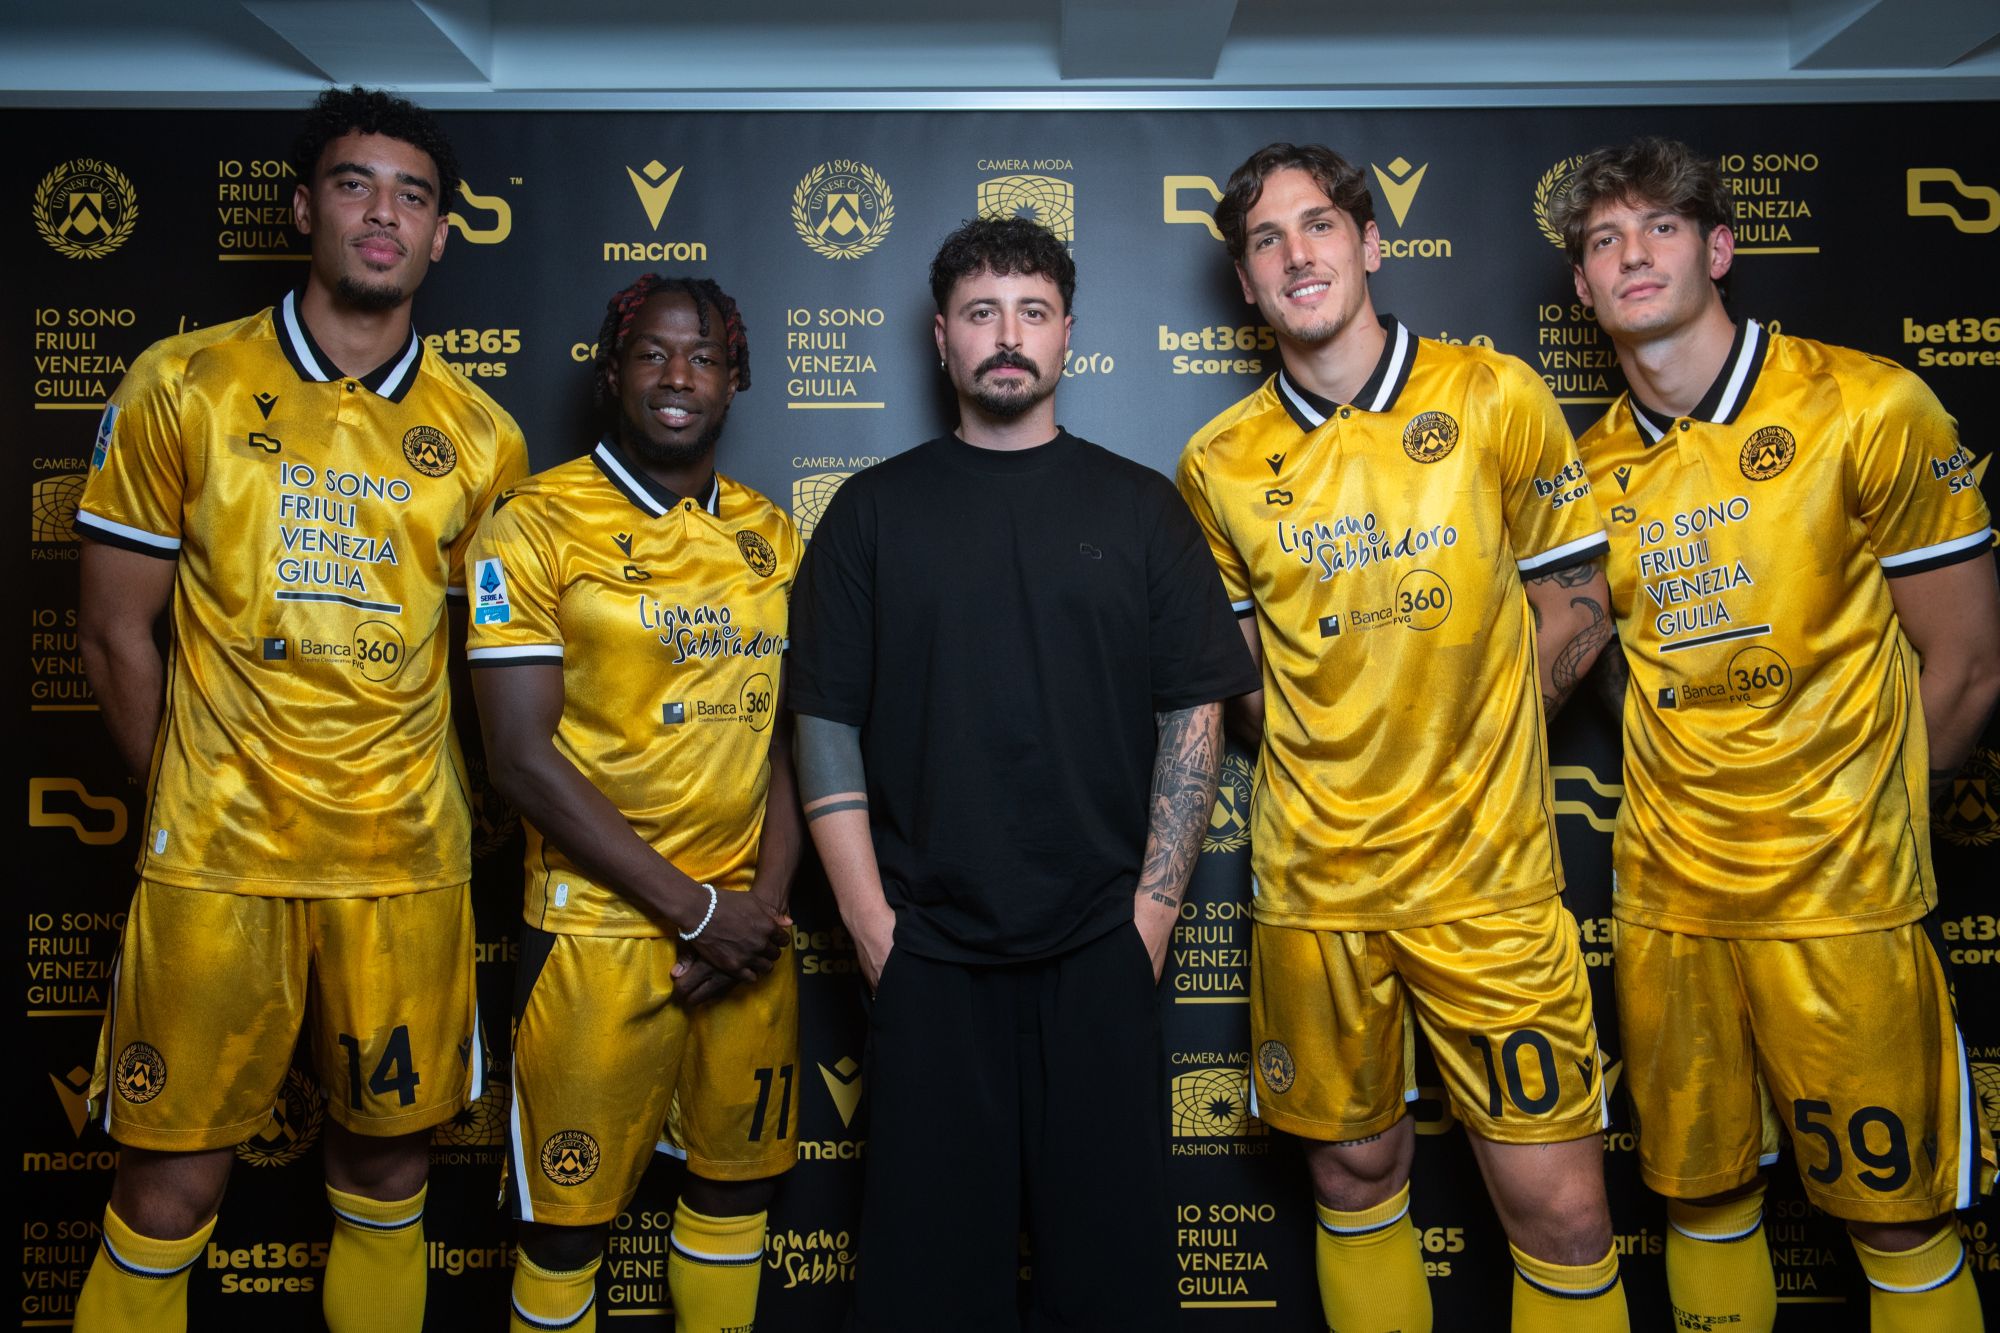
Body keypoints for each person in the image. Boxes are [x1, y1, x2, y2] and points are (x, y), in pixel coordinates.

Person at [71, 86, 528, 1332]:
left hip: (403, 863)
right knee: (167, 1184)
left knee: (387, 1176)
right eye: (353, 184)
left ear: (441, 234)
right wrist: (185, 793)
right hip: (218, 861)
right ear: (301, 209)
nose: (384, 214)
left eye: (412, 195)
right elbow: (112, 630)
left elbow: (498, 673)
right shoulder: (186, 381)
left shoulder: (482, 436)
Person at [1178, 142, 1628, 1333]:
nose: (1295, 255)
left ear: (1370, 243)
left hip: (1488, 881)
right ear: (1244, 282)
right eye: (1265, 241)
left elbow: (1577, 601)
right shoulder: (1216, 463)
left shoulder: (1493, 395)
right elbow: (1241, 678)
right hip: (1316, 886)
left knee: (1564, 1215)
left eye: (1318, 225)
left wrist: (1473, 733)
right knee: (1351, 1177)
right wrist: (1339, 744)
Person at [1553, 135, 2000, 1332]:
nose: (1631, 254)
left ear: (1716, 248)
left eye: (1658, 227)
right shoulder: (1583, 472)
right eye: (1603, 240)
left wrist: (1872, 833)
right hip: (1668, 901)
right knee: (1699, 1201)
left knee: (1895, 1217)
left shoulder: (1865, 404)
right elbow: (1593, 675)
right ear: (1582, 286)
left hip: (1840, 899)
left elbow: (1963, 665)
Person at [788, 216, 1258, 1331]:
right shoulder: (870, 512)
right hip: (927, 955)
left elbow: (1193, 715)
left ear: (1067, 336)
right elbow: (823, 724)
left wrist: (1148, 920)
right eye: (982, 313)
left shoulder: (1140, 507)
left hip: (1100, 950)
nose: (1008, 335)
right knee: (926, 1290)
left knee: (1111, 1286)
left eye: (1032, 312)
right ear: (941, 337)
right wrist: (870, 927)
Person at [467, 274, 800, 1333]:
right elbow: (519, 760)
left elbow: (793, 739)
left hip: (745, 939)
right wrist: (696, 913)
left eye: (703, 357)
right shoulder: (532, 523)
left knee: (735, 1200)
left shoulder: (772, 533)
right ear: (611, 373)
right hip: (596, 938)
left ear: (735, 380)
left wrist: (756, 913)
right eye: (653, 354)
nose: (677, 376)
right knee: (565, 1235)